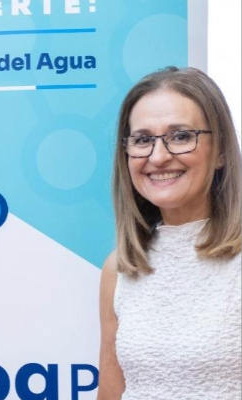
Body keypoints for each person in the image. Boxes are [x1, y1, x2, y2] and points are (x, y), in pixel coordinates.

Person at [98, 66, 242, 399]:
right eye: (142, 139)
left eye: (180, 136)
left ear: (221, 151)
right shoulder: (119, 269)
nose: (159, 156)